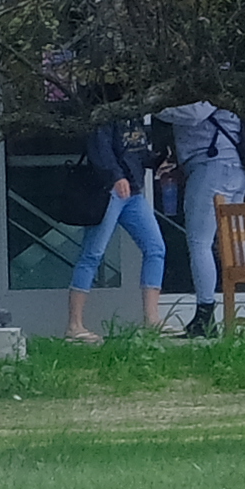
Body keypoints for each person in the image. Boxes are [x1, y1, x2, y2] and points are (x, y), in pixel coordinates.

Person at [149, 91, 245, 336]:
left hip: (212, 166)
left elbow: (196, 113)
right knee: (235, 241)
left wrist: (154, 107)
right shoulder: (227, 81)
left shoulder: (211, 80)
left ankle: (205, 316)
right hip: (234, 166)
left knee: (199, 242)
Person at [67, 99, 173, 340]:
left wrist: (157, 160)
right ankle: (74, 325)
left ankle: (152, 319)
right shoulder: (105, 112)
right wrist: (116, 176)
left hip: (133, 192)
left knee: (156, 248)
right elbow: (100, 150)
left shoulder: (133, 114)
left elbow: (135, 153)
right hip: (109, 191)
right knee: (92, 253)